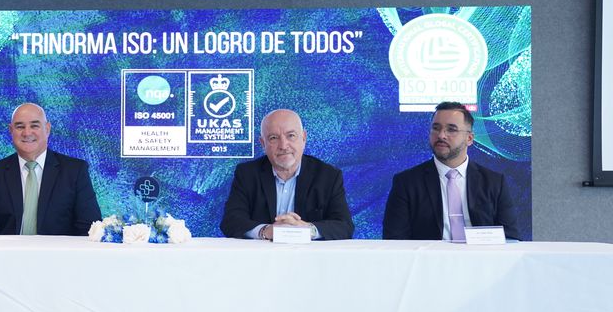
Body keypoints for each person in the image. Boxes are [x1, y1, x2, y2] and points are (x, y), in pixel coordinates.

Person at [382, 101, 520, 241]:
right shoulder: (406, 183)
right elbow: (394, 240)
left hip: (480, 254)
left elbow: (510, 238)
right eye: (436, 128)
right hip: (428, 255)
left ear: (469, 138)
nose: (441, 135)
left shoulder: (494, 183)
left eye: (451, 129)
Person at [220, 109, 354, 240]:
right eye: (273, 138)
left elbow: (344, 226)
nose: (283, 146)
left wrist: (309, 229)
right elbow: (231, 221)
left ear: (303, 137)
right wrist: (265, 231)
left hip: (310, 253)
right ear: (263, 143)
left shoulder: (328, 176)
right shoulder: (247, 174)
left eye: (291, 135)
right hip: (261, 253)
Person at [0, 102, 101, 235]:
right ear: (11, 131)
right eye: (20, 126)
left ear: (47, 129)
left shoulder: (75, 171)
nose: (27, 133)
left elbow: (90, 229)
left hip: (57, 249)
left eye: (34, 126)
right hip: (8, 248)